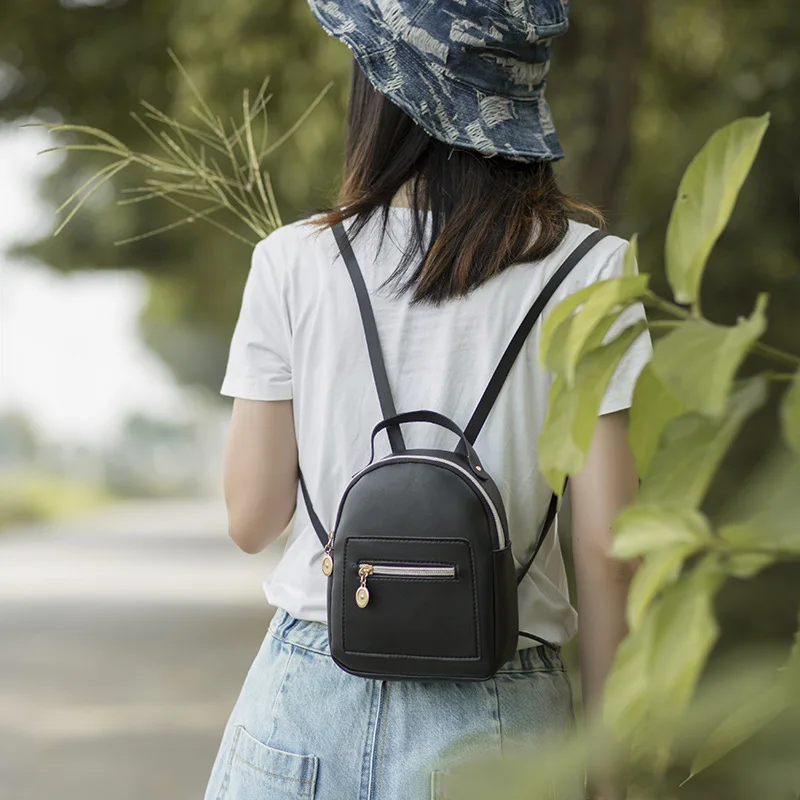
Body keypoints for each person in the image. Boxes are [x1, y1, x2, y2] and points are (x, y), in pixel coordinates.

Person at [204, 1, 651, 798]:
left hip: (304, 702)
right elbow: (611, 553)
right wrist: (609, 769)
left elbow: (251, 519)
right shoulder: (592, 269)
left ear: (382, 86)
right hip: (500, 714)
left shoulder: (293, 260)